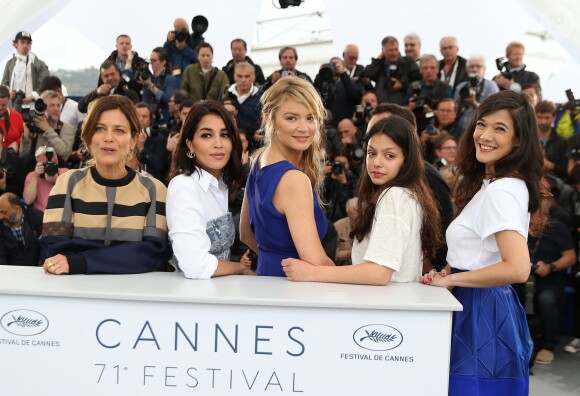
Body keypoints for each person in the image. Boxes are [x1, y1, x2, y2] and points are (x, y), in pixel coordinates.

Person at [422, 90, 545, 395]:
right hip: (478, 307)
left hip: (482, 313)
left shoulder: (502, 192)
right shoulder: (495, 185)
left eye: (500, 128)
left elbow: (518, 269)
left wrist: (453, 279)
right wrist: (448, 274)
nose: (485, 135)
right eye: (482, 124)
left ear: (518, 140)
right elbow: (479, 252)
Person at [282, 115, 442, 285]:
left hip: (384, 307)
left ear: (406, 160)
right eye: (371, 153)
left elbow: (378, 273)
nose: (377, 162)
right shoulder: (404, 195)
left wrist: (313, 273)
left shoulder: (394, 197)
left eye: (389, 155)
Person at [41, 96, 172, 275]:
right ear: (88, 135)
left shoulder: (154, 190)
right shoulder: (67, 183)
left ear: (134, 139)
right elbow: (56, 251)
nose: (108, 138)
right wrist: (126, 253)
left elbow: (152, 254)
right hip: (77, 294)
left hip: (136, 296)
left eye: (119, 130)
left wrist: (81, 260)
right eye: (100, 129)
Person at [240, 77, 333, 276]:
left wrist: (274, 258)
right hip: (293, 291)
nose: (304, 128)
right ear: (269, 118)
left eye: (310, 118)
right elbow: (315, 261)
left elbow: (246, 235)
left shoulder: (259, 162)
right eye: (291, 118)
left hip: (267, 280)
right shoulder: (293, 179)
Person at [166, 100, 254, 279]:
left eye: (225, 135)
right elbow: (195, 266)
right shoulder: (184, 187)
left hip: (220, 294)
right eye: (207, 135)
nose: (218, 144)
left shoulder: (219, 184)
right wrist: (240, 268)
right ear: (190, 144)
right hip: (194, 300)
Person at [19, 90, 76, 166]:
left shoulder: (67, 128)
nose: (56, 109)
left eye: (58, 105)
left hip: (57, 172)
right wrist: (26, 138)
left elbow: (65, 154)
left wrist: (47, 129)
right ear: (42, 107)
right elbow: (24, 155)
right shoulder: (34, 126)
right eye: (52, 105)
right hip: (34, 171)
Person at [363, 36, 418, 106]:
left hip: (403, 108)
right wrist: (377, 60)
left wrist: (402, 86)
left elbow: (418, 82)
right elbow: (366, 74)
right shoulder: (379, 65)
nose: (394, 53)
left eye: (396, 50)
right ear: (383, 51)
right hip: (382, 108)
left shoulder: (408, 62)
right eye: (391, 50)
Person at [1, 31, 49, 107]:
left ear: (30, 45)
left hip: (34, 107)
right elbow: (4, 84)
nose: (25, 45)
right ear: (16, 44)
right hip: (13, 106)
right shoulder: (10, 63)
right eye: (22, 42)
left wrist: (33, 96)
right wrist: (9, 92)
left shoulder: (39, 64)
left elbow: (46, 84)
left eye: (28, 43)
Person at [0, 192, 43, 266]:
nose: (0, 217)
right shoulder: (1, 225)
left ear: (18, 209)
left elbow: (45, 248)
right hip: (11, 273)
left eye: (4, 212)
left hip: (37, 271)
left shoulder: (37, 218)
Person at [140, 47, 179, 127]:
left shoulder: (170, 78)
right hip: (150, 122)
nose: (152, 63)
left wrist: (151, 86)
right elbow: (145, 102)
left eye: (154, 60)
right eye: (150, 60)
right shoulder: (149, 79)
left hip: (165, 121)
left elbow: (168, 100)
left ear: (163, 62)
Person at [23, 146, 69, 212]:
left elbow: (73, 195)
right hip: (41, 215)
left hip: (62, 213)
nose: (47, 167)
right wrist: (35, 176)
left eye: (49, 163)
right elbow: (28, 200)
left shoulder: (65, 172)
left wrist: (57, 180)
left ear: (56, 161)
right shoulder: (32, 176)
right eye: (43, 164)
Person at [0, 85, 24, 152]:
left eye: (3, 105)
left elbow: (25, 137)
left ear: (8, 101)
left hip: (12, 158)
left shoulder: (17, 116)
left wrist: (17, 143)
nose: (0, 107)